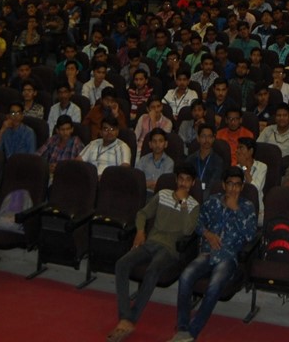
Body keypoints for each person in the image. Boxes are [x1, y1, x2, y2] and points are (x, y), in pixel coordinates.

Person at [109, 163, 200, 342]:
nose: (183, 183)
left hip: (170, 249)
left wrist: (183, 203)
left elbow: (188, 230)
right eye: (181, 179)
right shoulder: (163, 194)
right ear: (176, 180)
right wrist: (140, 232)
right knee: (122, 264)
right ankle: (125, 316)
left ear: (193, 183)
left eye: (187, 180)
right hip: (150, 242)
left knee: (153, 270)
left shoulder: (193, 205)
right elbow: (142, 214)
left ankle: (131, 319)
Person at [169, 166, 257, 342]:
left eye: (237, 185)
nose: (233, 188)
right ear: (223, 185)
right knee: (185, 276)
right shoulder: (212, 201)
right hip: (208, 252)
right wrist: (207, 234)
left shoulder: (247, 207)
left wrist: (236, 210)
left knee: (214, 284)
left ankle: (192, 331)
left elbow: (251, 235)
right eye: (230, 184)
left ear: (242, 187)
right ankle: (182, 327)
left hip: (229, 257)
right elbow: (197, 222)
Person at [184, 124, 223, 200]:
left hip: (210, 197)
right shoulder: (190, 159)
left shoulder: (218, 161)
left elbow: (213, 186)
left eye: (209, 136)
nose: (206, 140)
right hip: (191, 195)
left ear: (213, 139)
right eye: (203, 136)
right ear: (198, 138)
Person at [135, 127, 174, 191]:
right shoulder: (143, 159)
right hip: (141, 192)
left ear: (166, 144)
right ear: (150, 144)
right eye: (154, 141)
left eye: (160, 141)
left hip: (159, 195)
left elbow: (164, 186)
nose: (157, 144)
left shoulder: (169, 163)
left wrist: (146, 183)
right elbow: (136, 181)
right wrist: (153, 183)